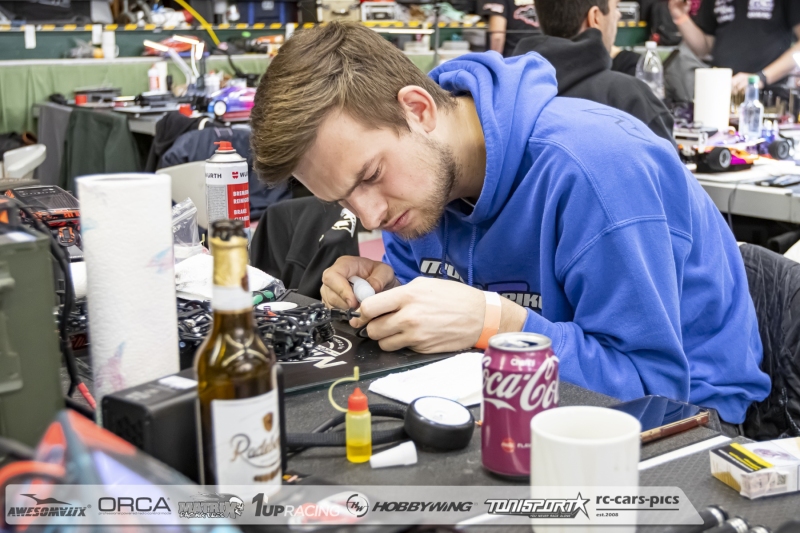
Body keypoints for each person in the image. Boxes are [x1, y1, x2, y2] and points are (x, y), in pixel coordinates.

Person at [249, 23, 771, 424]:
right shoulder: (415, 190)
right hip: (512, 401)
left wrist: (495, 324)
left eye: (369, 176)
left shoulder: (595, 171)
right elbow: (442, 324)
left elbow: (654, 389)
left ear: (418, 110)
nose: (371, 215)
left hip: (693, 424)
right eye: (343, 198)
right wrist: (391, 298)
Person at [513, 0, 675, 145]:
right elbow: (669, 168)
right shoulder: (630, 98)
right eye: (616, 7)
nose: (618, 15)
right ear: (595, 17)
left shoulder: (511, 93)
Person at [669, 0, 800, 93]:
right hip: (723, 92)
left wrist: (761, 78)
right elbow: (704, 48)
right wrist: (681, 17)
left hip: (770, 94)